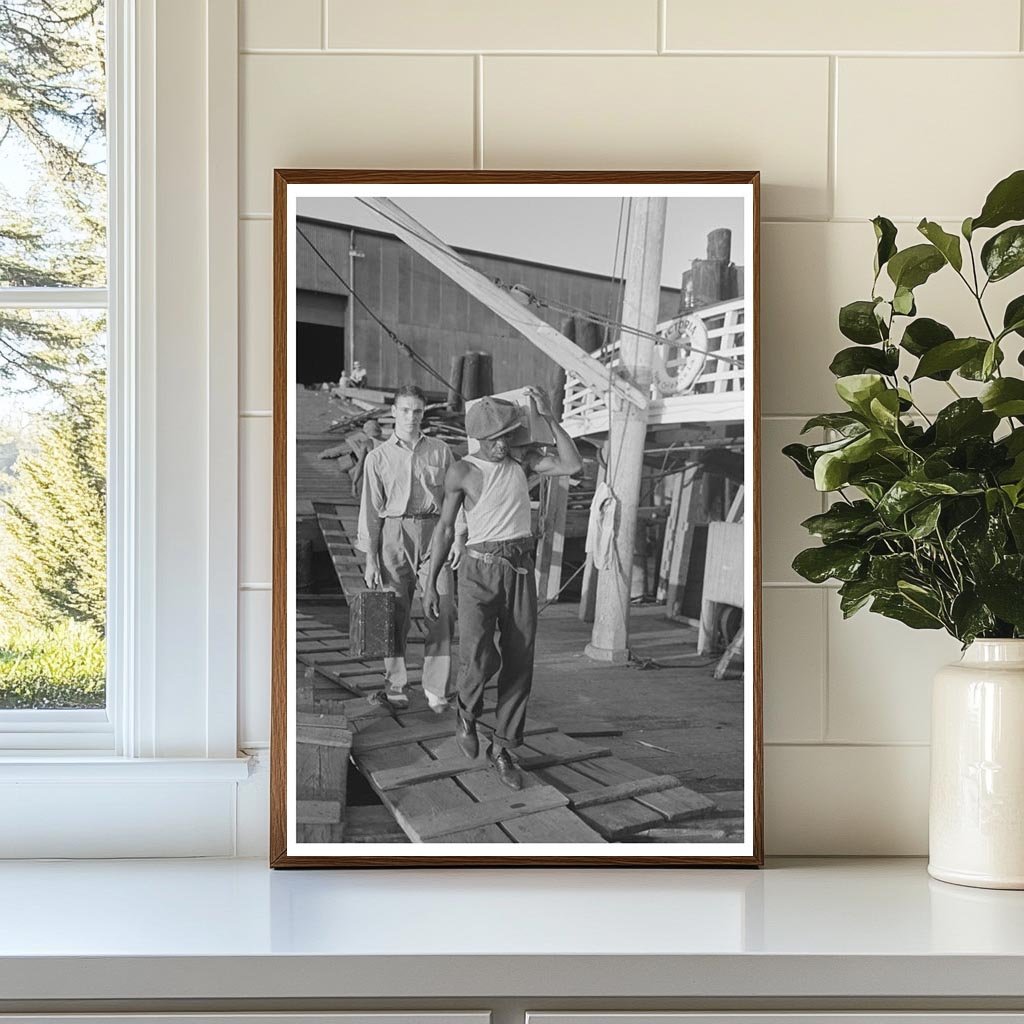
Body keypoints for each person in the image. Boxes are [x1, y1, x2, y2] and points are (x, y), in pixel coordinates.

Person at [424, 386, 583, 790]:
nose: (502, 444)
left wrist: (548, 417)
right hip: (478, 571)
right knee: (477, 656)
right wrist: (431, 582)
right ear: (479, 438)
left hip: (520, 571)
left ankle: (504, 747)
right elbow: (444, 528)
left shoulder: (523, 461)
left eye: (508, 435)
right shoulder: (461, 471)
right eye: (495, 439)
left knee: (519, 659)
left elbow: (572, 463)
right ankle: (467, 714)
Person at [357, 386, 455, 712]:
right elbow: (370, 511)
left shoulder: (441, 451)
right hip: (394, 535)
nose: (411, 417)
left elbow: (456, 500)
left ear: (423, 413)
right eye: (405, 411)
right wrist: (370, 558)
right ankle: (396, 685)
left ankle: (436, 688)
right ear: (394, 413)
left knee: (441, 611)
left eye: (417, 411)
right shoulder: (378, 458)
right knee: (392, 614)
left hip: (435, 533)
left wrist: (460, 538)